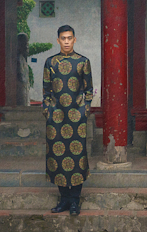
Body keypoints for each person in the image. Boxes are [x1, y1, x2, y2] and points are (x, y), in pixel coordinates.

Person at [42, 25, 93, 215]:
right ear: (58, 40)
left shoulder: (83, 62)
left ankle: (75, 201)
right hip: (55, 116)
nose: (66, 41)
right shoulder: (50, 62)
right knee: (57, 156)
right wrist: (47, 110)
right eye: (63, 38)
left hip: (76, 117)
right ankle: (63, 199)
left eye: (69, 38)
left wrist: (84, 111)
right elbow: (46, 89)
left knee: (77, 157)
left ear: (74, 39)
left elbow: (89, 90)